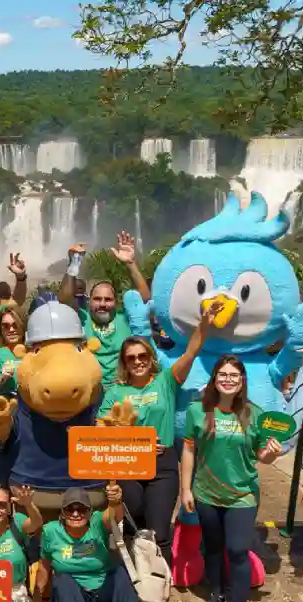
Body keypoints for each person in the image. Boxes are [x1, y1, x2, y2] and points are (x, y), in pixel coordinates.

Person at [102, 300, 219, 571]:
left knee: (159, 533)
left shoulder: (166, 380)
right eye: (131, 358)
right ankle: (131, 584)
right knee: (133, 525)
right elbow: (100, 431)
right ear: (124, 362)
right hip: (128, 465)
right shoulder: (115, 392)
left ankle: (157, 589)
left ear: (150, 358)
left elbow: (191, 352)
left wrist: (205, 322)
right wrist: (134, 443)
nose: (138, 361)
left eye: (142, 356)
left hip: (162, 463)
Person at [180, 355, 283, 602]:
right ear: (214, 379)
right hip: (205, 493)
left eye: (234, 375)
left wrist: (272, 453)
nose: (228, 379)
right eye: (222, 374)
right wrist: (185, 489)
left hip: (242, 495)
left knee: (237, 550)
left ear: (242, 382)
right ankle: (217, 592)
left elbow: (261, 455)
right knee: (212, 548)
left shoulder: (255, 413)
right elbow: (189, 451)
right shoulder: (197, 411)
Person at [35, 484, 144, 602]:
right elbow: (44, 566)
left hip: (103, 593)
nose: (75, 514)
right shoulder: (50, 531)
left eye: (81, 509)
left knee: (120, 573)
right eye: (70, 509)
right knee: (61, 580)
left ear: (90, 511)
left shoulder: (97, 523)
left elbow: (114, 515)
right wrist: (36, 599)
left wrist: (116, 501)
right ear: (62, 512)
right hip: (75, 600)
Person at [60, 233, 151, 386]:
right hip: (90, 391)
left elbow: (145, 300)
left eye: (108, 299)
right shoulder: (82, 319)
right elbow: (63, 303)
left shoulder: (125, 318)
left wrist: (130, 263)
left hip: (123, 389)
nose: (102, 304)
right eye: (97, 299)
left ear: (116, 302)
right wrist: (74, 265)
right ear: (89, 302)